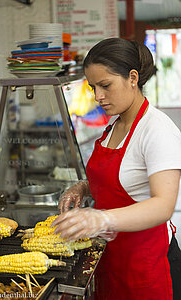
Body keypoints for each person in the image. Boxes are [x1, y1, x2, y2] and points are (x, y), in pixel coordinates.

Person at [52, 38, 181, 299]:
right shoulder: (115, 125)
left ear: (133, 78)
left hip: (146, 265)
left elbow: (163, 205)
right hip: (112, 258)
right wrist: (83, 187)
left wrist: (101, 218)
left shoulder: (157, 130)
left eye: (106, 85)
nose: (98, 96)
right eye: (93, 87)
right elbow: (124, 178)